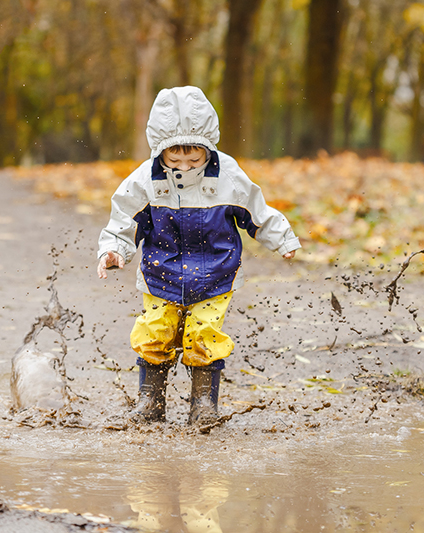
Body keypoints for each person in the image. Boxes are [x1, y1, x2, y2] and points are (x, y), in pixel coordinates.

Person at [97, 86, 300, 426]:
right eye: (174, 160)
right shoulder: (145, 180)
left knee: (204, 336)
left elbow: (255, 211)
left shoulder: (228, 176)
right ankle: (151, 400)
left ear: (209, 148)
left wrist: (281, 238)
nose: (185, 166)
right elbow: (123, 220)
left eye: (195, 160)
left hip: (215, 275)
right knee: (154, 332)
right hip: (160, 274)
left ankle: (204, 403)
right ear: (159, 152)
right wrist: (114, 250)